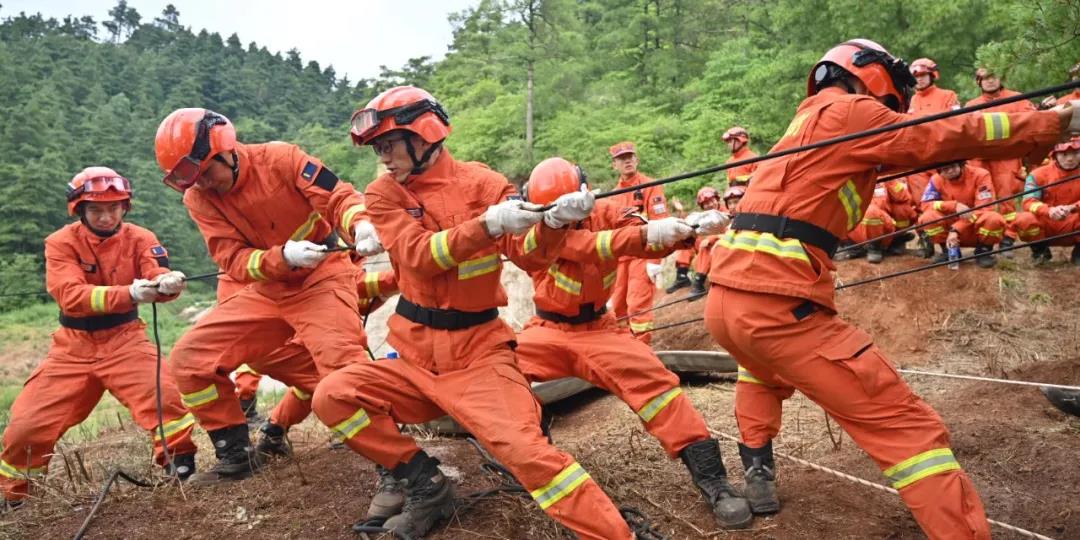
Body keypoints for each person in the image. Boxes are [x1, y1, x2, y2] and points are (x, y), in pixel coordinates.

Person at [707, 38, 1076, 539]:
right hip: (778, 306)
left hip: (726, 302)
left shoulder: (809, 122)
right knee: (911, 433)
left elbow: (919, 150)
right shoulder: (851, 110)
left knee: (760, 371)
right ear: (873, 78)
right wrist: (1053, 123)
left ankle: (757, 471)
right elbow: (941, 133)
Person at [311, 86, 638, 539]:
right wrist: (486, 224)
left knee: (526, 453)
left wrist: (553, 224)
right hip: (415, 358)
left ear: (423, 135)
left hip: (479, 354)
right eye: (377, 148)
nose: (382, 157)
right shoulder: (383, 193)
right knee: (333, 396)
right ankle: (424, 483)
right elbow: (420, 256)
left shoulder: (485, 184)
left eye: (388, 145)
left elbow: (529, 257)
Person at [514, 158, 753, 529]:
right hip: (546, 330)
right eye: (551, 210)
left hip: (600, 329)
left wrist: (686, 230)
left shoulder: (608, 211)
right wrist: (645, 234)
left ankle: (714, 481)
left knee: (659, 388)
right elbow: (584, 246)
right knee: (502, 374)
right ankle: (530, 454)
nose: (561, 216)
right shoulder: (534, 229)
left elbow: (644, 238)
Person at [154, 108, 371, 485]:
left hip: (322, 275)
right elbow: (233, 259)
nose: (203, 183)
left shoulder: (282, 158)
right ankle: (235, 455)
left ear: (225, 150)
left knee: (342, 366)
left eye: (206, 172)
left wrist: (362, 224)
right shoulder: (199, 198)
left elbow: (338, 196)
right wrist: (282, 257)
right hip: (269, 288)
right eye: (194, 179)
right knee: (190, 359)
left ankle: (395, 463)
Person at [1, 167, 198, 506]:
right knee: (26, 427)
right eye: (96, 210)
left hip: (126, 339)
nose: (106, 217)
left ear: (125, 208)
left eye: (113, 208)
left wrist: (166, 283)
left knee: (164, 399)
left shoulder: (141, 237)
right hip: (72, 348)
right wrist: (129, 293)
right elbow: (71, 296)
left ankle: (181, 470)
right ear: (79, 210)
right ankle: (13, 497)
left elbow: (155, 271)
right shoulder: (60, 243)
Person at [966, 68, 1038, 251]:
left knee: (1007, 198)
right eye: (985, 78)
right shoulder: (971, 105)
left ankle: (1008, 237)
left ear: (1001, 79)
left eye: (994, 77)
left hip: (1007, 157)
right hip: (980, 159)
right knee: (983, 198)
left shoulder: (1017, 98)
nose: (990, 81)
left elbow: (1032, 120)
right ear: (979, 82)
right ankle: (987, 238)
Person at [608, 141, 669, 341]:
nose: (627, 161)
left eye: (630, 157)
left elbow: (660, 224)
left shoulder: (651, 186)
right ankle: (625, 347)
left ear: (637, 160)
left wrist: (655, 260)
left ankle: (642, 348)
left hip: (643, 256)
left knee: (637, 306)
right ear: (614, 165)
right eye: (621, 159)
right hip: (621, 258)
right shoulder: (612, 195)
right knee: (617, 308)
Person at [906, 57, 961, 256]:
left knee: (947, 200)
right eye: (916, 77)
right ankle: (927, 241)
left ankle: (952, 242)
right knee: (920, 201)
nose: (919, 79)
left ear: (932, 75)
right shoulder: (912, 100)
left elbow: (957, 123)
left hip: (942, 157)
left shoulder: (948, 96)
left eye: (923, 75)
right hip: (919, 159)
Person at [916, 161, 1006, 268]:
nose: (950, 171)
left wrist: (955, 229)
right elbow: (925, 205)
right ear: (939, 171)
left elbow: (984, 208)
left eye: (953, 166)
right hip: (950, 228)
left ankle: (984, 251)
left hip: (973, 225)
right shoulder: (936, 179)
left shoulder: (981, 174)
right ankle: (948, 250)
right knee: (927, 217)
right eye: (945, 169)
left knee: (993, 218)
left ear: (961, 164)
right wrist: (953, 205)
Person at [1015, 137, 1080, 265]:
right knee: (1024, 219)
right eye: (1064, 154)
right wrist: (1049, 211)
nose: (1070, 159)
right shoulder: (1037, 174)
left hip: (1074, 221)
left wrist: (1072, 208)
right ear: (1054, 155)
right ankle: (1040, 252)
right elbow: (1028, 201)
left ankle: (1078, 254)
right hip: (1047, 222)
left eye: (1076, 153)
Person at [840, 177, 917, 263]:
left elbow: (903, 197)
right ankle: (868, 247)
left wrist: (890, 180)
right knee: (871, 212)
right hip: (856, 228)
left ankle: (895, 240)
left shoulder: (882, 177)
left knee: (903, 209)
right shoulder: (850, 178)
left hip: (882, 226)